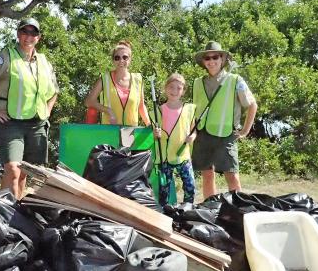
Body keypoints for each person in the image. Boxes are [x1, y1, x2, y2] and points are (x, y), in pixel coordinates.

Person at [0, 18, 59, 199]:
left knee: (24, 171)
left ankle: (11, 212)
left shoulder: (44, 62)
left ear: (39, 37)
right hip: (9, 122)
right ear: (18, 34)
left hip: (36, 123)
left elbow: (54, 91)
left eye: (33, 33)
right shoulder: (4, 57)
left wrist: (48, 110)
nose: (29, 37)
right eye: (25, 32)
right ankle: (6, 213)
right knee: (12, 168)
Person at [190, 41, 257, 199]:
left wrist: (245, 131)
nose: (211, 61)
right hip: (203, 134)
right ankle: (209, 209)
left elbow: (252, 105)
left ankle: (238, 210)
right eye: (207, 58)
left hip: (226, 134)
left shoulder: (235, 80)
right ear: (203, 62)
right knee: (207, 176)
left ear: (222, 59)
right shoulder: (197, 83)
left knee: (232, 176)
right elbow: (193, 111)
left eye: (215, 57)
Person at [152, 73, 197, 205]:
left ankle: (188, 209)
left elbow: (194, 130)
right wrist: (156, 133)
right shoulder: (159, 110)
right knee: (164, 189)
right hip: (165, 156)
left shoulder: (188, 109)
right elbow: (155, 134)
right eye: (171, 87)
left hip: (183, 155)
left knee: (190, 186)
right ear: (165, 88)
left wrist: (192, 137)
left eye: (179, 88)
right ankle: (165, 212)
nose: (174, 91)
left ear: (183, 91)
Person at [84, 40, 151, 127]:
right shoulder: (105, 79)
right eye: (117, 58)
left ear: (130, 59)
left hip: (130, 133)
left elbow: (141, 106)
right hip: (109, 132)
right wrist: (108, 110)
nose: (121, 60)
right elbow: (89, 101)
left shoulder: (138, 79)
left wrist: (149, 124)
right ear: (113, 60)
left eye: (125, 57)